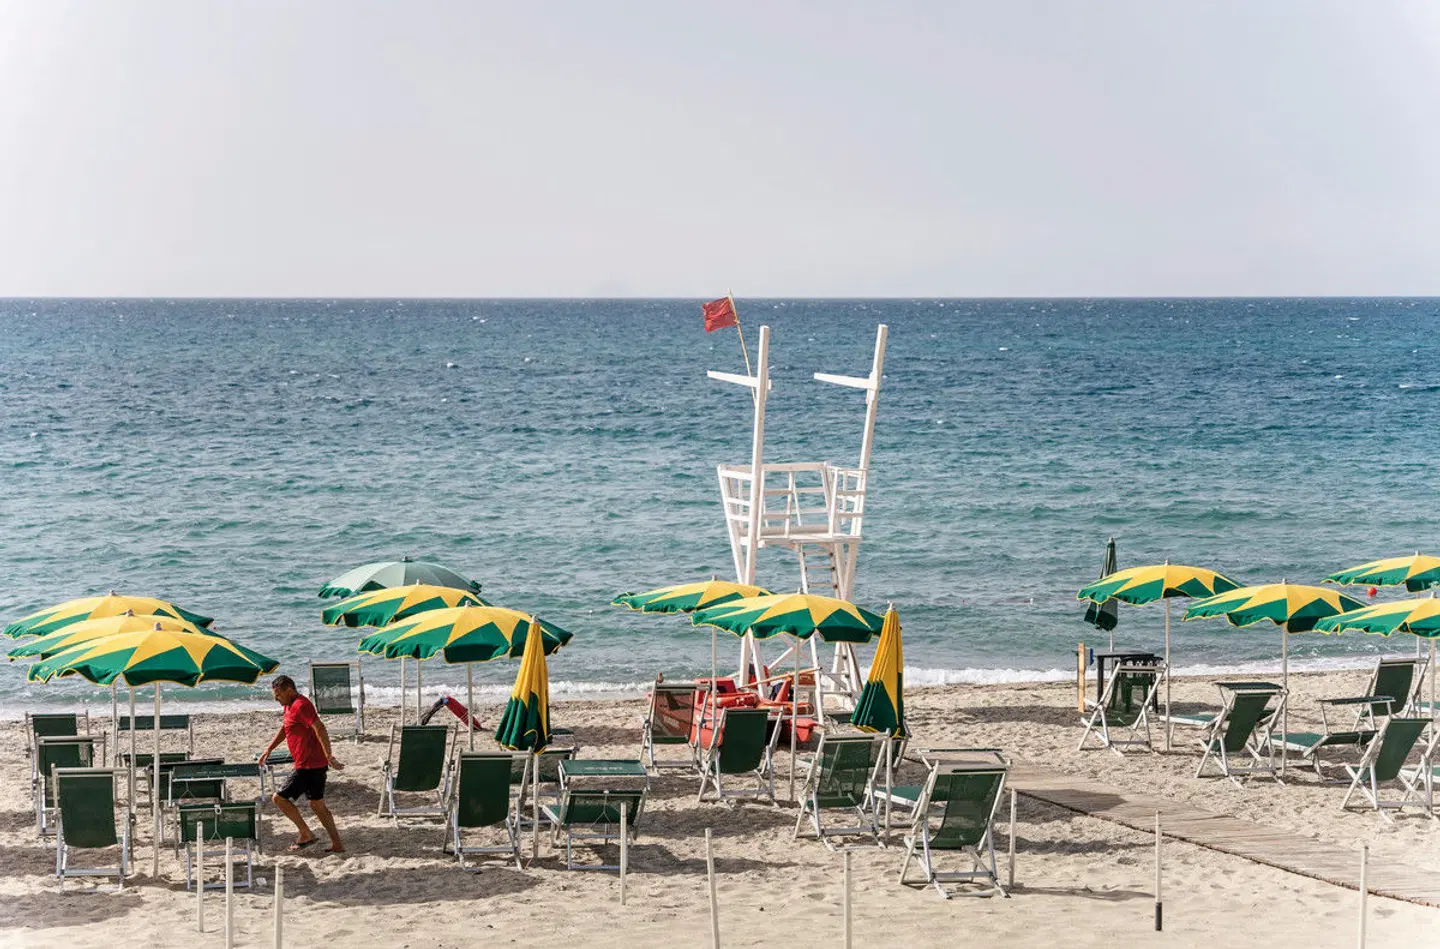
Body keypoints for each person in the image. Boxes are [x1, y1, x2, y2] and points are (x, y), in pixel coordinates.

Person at [259, 674, 346, 853]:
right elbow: (286, 727)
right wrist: (269, 749)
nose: (276, 698)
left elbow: (320, 727)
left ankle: (306, 833)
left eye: (278, 694)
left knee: (279, 798)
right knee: (317, 806)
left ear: (289, 691)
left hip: (308, 765)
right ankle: (337, 844)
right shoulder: (289, 705)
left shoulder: (301, 705)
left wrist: (329, 755)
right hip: (312, 764)